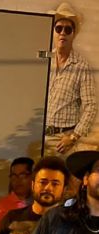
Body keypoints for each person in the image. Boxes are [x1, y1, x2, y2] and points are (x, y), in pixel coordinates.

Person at [44, 2, 97, 159]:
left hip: (61, 141)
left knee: (59, 182)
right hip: (36, 136)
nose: (63, 33)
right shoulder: (44, 59)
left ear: (73, 34)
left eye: (68, 30)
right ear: (53, 32)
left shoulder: (82, 66)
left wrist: (73, 137)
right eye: (58, 28)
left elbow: (91, 107)